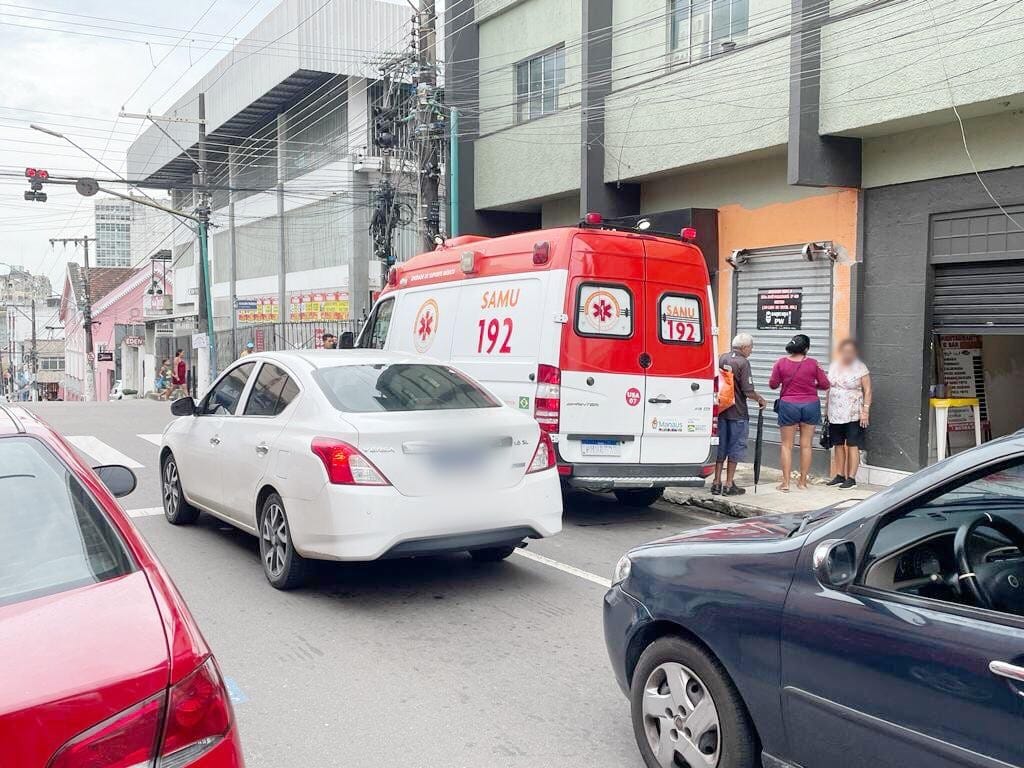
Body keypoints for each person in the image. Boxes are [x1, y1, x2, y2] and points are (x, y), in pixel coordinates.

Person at [769, 334, 830, 492]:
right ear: (806, 349)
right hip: (810, 405)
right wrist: (811, 387)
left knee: (786, 445)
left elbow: (773, 384)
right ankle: (803, 482)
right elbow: (825, 384)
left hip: (788, 405)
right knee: (806, 445)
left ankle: (786, 483)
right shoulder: (813, 364)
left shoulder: (781, 363)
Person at [712, 332, 767, 496]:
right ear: (744, 347)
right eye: (750, 347)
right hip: (738, 413)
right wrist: (760, 399)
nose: (751, 350)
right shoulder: (743, 362)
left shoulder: (722, 358)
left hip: (721, 411)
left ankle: (716, 482)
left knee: (720, 447)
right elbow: (748, 390)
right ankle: (729, 484)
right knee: (735, 447)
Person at [826, 339, 872, 489]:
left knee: (852, 444)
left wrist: (865, 410)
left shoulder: (860, 368)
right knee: (838, 444)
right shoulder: (834, 366)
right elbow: (828, 388)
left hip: (853, 412)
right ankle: (840, 475)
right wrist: (826, 409)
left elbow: (868, 390)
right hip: (835, 412)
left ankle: (851, 478)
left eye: (850, 351)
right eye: (844, 351)